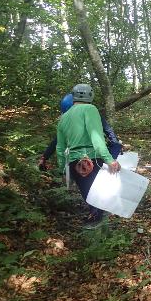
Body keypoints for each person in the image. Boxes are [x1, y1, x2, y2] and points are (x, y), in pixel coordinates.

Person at [56, 84, 121, 229]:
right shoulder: (90, 109)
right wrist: (109, 159)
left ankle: (95, 230)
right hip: (90, 160)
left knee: (90, 198)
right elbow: (96, 136)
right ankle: (100, 234)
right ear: (90, 95)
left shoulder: (64, 117)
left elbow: (60, 147)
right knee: (98, 201)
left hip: (74, 163)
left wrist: (62, 168)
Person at [38, 93, 122, 171]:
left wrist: (112, 157)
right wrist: (45, 157)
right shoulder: (72, 119)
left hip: (95, 157)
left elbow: (110, 136)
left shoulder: (91, 115)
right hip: (85, 159)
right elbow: (57, 141)